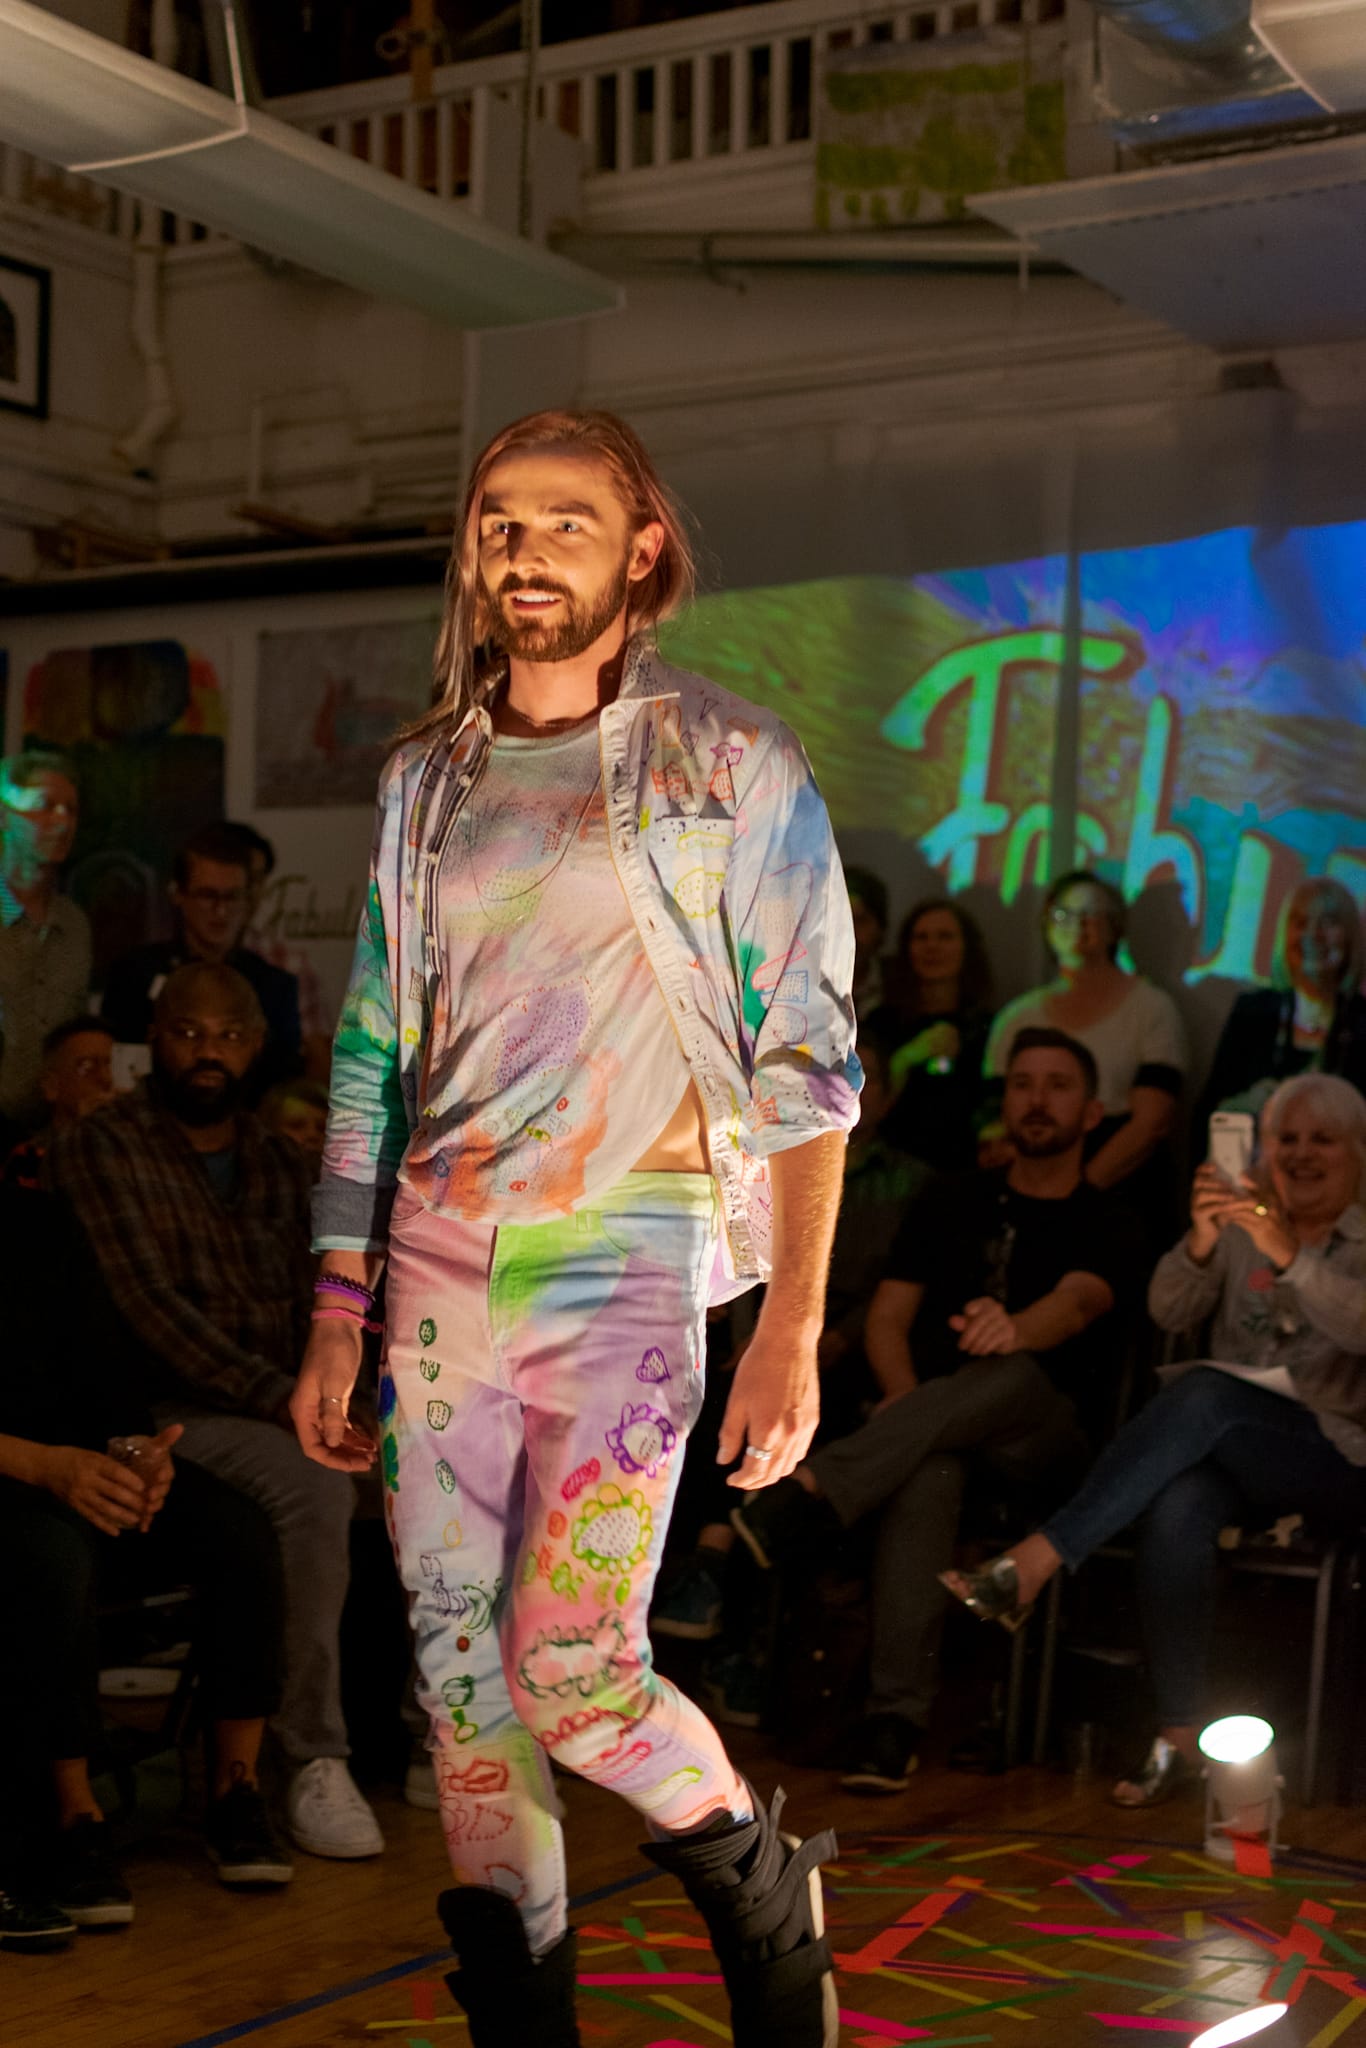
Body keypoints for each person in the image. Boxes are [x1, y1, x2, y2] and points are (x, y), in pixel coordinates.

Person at [296, 408, 861, 2048]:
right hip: (437, 1276)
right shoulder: (424, 782)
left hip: (626, 1269)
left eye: (565, 518)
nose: (523, 547)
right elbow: (369, 1050)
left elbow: (811, 1061)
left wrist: (792, 1323)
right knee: (459, 1681)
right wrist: (336, 1302)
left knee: (573, 1673)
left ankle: (758, 1890)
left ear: (642, 551)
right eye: (498, 519)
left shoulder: (731, 762)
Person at [730, 1028, 1141, 1794]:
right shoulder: (952, 1197)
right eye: (1023, 1083)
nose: (1037, 1099)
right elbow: (887, 1319)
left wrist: (1017, 1330)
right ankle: (895, 1723)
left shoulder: (1108, 1218)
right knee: (929, 1469)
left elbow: (1078, 1304)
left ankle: (811, 1491)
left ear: (1092, 1113)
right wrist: (908, 1403)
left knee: (1011, 1375)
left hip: (1044, 1440)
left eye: (1057, 1085)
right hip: (931, 1425)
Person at [943, 1071, 1366, 1809]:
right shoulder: (1246, 1221)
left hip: (1333, 1457)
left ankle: (1035, 1562)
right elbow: (1167, 1308)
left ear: (1358, 1153)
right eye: (1286, 1139)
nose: (1301, 1154)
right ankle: (1178, 1736)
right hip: (1232, 1451)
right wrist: (1203, 1242)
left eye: (1322, 1140)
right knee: (1178, 1502)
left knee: (1204, 1396)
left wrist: (1291, 1257)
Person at [47, 962, 383, 1863]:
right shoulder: (105, 1146)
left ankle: (435, 1734)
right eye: (189, 1034)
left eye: (229, 1036)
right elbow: (149, 1312)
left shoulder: (281, 1158)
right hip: (161, 1411)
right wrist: (294, 1404)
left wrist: (351, 1400)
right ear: (154, 1042)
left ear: (257, 1046)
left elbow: (331, 1295)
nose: (209, 1053)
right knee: (314, 1483)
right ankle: (311, 1758)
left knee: (426, 1462)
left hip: (286, 1400)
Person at [652, 1034, 929, 1654]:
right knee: (707, 1392)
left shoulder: (911, 1183)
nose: (851, 1086)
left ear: (886, 1097)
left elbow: (898, 1288)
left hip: (849, 1350)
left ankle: (718, 1573)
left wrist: (824, 1337)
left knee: (779, 1403)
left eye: (864, 1077)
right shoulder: (753, 1153)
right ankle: (706, 1582)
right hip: (760, 1332)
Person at [984, 870, 1186, 1197]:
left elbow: (1152, 1120)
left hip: (1122, 1186)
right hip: (1032, 1178)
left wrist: (1081, 1190)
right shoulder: (1016, 1016)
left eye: (1091, 913)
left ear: (1114, 926)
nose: (1078, 924)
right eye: (1064, 914)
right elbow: (994, 1112)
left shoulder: (1152, 1008)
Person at [101, 823, 303, 1099]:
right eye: (208, 895)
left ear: (249, 900)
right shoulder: (134, 974)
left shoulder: (274, 987)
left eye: (232, 897)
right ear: (178, 894)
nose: (220, 910)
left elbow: (283, 1084)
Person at [1198, 877, 1366, 1128]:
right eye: (1301, 923)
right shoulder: (1251, 1013)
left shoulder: (1362, 1021)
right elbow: (1209, 1115)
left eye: (1328, 923)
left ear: (1350, 937)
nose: (1313, 935)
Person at [0, 750, 92, 1134]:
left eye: (70, 810)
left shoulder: (74, 924)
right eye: (45, 806)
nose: (62, 821)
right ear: (5, 815)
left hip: (50, 1135)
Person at [868, 896, 995, 1171]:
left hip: (966, 1168)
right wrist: (907, 1057)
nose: (932, 946)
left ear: (966, 948)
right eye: (921, 938)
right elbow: (863, 1106)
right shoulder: (881, 1023)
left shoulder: (988, 1027)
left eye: (945, 937)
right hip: (891, 1169)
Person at [220, 820, 333, 1081]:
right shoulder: (161, 963)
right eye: (237, 879)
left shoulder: (289, 963)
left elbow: (318, 1061)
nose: (248, 890)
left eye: (256, 879)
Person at [1, 1017, 115, 1192]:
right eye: (86, 1066)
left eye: (109, 1065)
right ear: (52, 1086)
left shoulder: (130, 1145)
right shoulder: (30, 1158)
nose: (106, 1079)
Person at [845, 864, 889, 1021]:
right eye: (839, 920)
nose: (849, 932)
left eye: (860, 920)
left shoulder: (900, 984)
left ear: (880, 928)